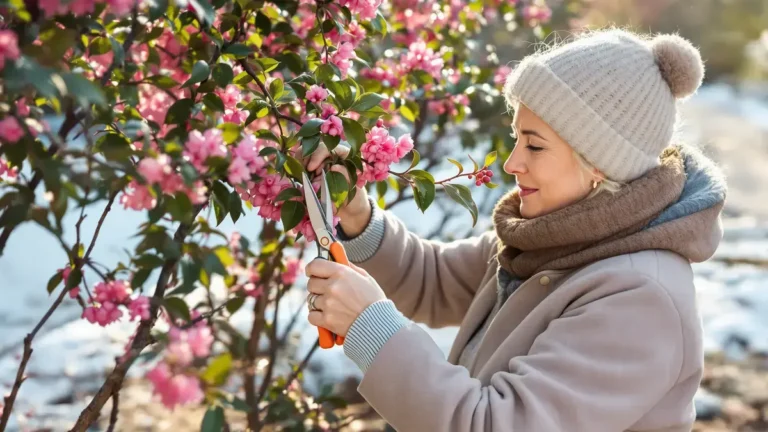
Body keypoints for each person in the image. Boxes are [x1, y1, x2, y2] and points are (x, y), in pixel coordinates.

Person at [303, 28, 727, 431]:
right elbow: (433, 282)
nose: (512, 163)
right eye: (517, 138)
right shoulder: (552, 236)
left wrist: (372, 328)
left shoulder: (639, 301)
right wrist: (358, 216)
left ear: (600, 163)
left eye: (535, 145)